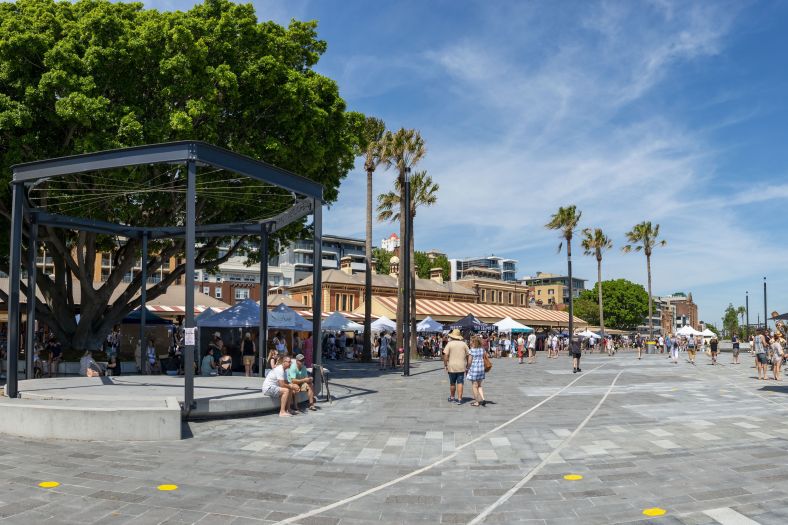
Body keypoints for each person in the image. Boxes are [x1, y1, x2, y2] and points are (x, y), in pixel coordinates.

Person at [443, 329, 471, 405]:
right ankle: (459, 399)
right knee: (460, 382)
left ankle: (452, 397)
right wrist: (468, 366)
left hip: (451, 366)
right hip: (461, 366)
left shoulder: (449, 344)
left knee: (452, 383)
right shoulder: (464, 344)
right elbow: (469, 355)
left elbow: (445, 355)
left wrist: (445, 365)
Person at [466, 335, 487, 407]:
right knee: (479, 385)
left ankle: (477, 402)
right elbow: (484, 357)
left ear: (474, 342)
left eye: (471, 341)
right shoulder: (482, 349)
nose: (470, 342)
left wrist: (467, 368)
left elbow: (469, 362)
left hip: (474, 369)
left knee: (474, 386)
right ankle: (483, 399)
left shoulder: (471, 350)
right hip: (481, 369)